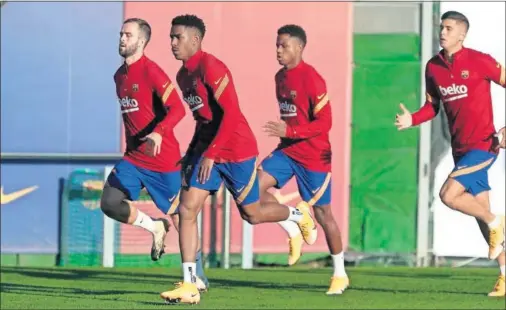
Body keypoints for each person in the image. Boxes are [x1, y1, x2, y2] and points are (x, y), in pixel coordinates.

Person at [160, 14, 317, 304]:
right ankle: (190, 283)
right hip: (209, 153)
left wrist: (210, 153)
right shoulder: (183, 76)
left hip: (237, 151)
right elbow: (203, 120)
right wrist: (191, 153)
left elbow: (230, 114)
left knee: (252, 214)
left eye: (177, 37)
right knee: (186, 209)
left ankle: (297, 215)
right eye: (170, 37)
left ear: (195, 40)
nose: (172, 43)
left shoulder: (212, 67)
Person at [395, 11, 506, 297]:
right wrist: (412, 120)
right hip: (461, 150)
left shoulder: (479, 60)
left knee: (448, 195)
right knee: (481, 217)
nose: (442, 32)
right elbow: (431, 107)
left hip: (484, 145)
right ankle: (505, 275)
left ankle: (496, 221)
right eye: (441, 27)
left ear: (462, 35)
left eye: (448, 28)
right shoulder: (433, 66)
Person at [100, 17, 208, 290]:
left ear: (142, 41)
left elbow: (177, 108)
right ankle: (154, 228)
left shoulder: (152, 72)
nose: (122, 39)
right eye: (120, 34)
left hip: (163, 162)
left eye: (128, 35)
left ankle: (198, 275)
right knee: (110, 202)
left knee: (182, 216)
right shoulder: (118, 76)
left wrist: (159, 133)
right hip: (134, 158)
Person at [258, 24, 349, 295]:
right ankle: (294, 223)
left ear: (299, 47)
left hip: (314, 157)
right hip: (288, 151)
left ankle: (340, 273)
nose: (278, 50)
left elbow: (326, 122)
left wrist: (292, 131)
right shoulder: (279, 78)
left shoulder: (312, 79)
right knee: (250, 190)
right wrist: (288, 136)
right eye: (277, 45)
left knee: (325, 215)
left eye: (284, 45)